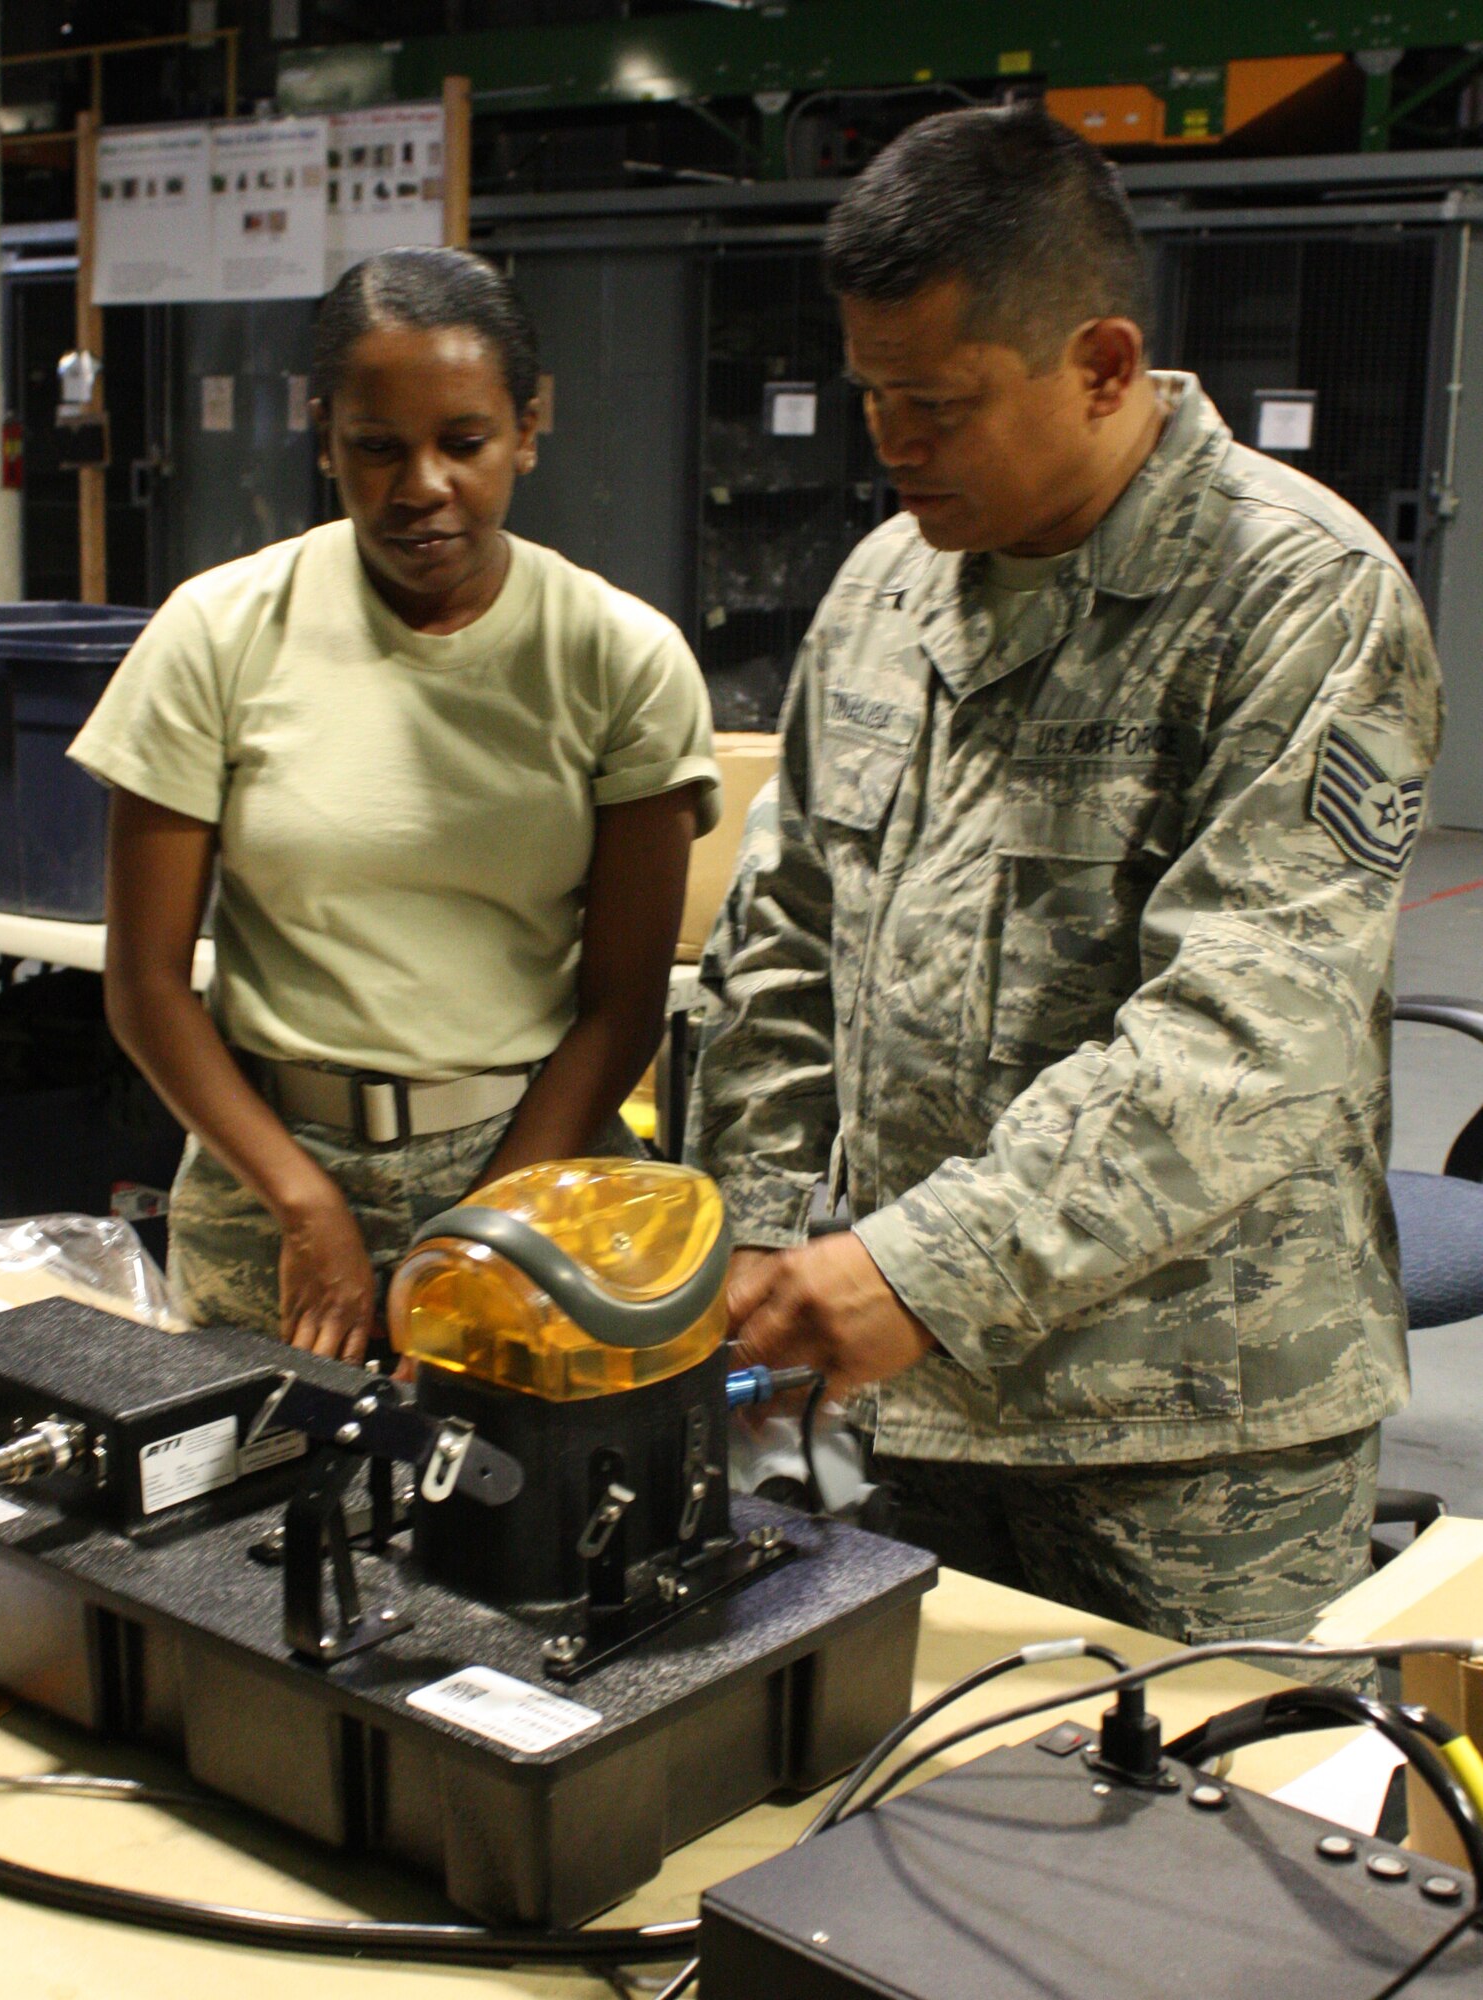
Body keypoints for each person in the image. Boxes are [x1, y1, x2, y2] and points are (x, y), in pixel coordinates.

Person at [692, 103, 1442, 1658]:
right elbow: (778, 943)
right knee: (873, 1837)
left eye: (939, 404)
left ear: (1100, 365)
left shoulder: (1297, 596)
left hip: (1183, 1433)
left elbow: (1241, 1032)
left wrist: (918, 1265)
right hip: (888, 1399)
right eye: (870, 397)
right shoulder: (884, 588)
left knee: (1210, 1839)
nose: (890, 444)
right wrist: (765, 1225)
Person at [70, 247, 720, 1364]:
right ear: (326, 438)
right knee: (251, 1521)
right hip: (263, 1170)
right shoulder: (218, 632)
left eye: (463, 442)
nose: (421, 484)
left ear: (527, 425)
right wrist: (300, 1202)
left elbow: (621, 1003)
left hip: (529, 1165)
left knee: (511, 1518)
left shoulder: (618, 655)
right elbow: (143, 984)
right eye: (377, 448)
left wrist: (484, 1230)